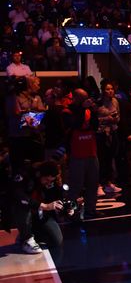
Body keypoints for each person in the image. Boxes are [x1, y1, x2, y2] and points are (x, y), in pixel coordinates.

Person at [13, 161, 78, 253]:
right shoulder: (26, 175)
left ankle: (28, 234)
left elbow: (57, 198)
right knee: (22, 204)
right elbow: (19, 195)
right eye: (47, 180)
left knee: (56, 240)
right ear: (39, 174)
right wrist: (44, 206)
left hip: (39, 213)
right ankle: (26, 238)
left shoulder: (52, 180)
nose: (48, 183)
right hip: (21, 209)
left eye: (51, 180)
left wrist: (66, 209)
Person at [64, 88, 100, 219]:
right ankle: (71, 212)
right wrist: (81, 109)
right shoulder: (68, 111)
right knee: (75, 185)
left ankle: (91, 209)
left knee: (93, 183)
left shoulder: (89, 110)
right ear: (76, 99)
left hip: (91, 151)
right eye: (83, 99)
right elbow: (76, 125)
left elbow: (95, 126)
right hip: (77, 154)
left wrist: (94, 112)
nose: (87, 101)